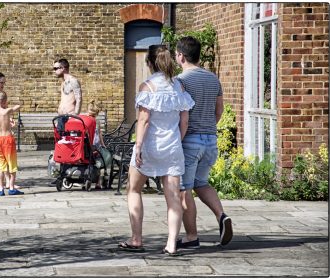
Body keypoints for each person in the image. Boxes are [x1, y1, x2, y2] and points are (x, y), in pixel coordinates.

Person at [118, 45, 194, 256]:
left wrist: (139, 146)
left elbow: (144, 119)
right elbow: (184, 120)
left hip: (150, 146)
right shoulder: (179, 87)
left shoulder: (147, 87)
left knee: (133, 189)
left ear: (150, 63)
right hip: (172, 147)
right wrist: (177, 140)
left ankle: (136, 239)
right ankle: (171, 244)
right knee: (173, 198)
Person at [175, 36, 233, 248]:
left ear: (181, 55)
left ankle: (191, 236)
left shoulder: (181, 81)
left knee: (184, 188)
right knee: (201, 183)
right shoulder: (213, 79)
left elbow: (181, 115)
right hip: (210, 140)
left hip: (190, 140)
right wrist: (209, 128)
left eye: (176, 54)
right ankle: (221, 216)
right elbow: (219, 111)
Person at [0, 91, 24, 196]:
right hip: (8, 139)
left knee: (0, 166)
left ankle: (0, 189)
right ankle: (12, 188)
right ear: (3, 101)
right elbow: (18, 106)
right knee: (11, 164)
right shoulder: (7, 111)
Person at [86, 100, 109, 189]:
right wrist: (103, 145)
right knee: (101, 163)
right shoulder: (96, 121)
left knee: (97, 162)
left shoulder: (87, 120)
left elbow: (99, 134)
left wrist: (103, 144)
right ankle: (99, 182)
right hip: (94, 146)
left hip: (89, 145)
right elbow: (99, 135)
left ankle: (98, 181)